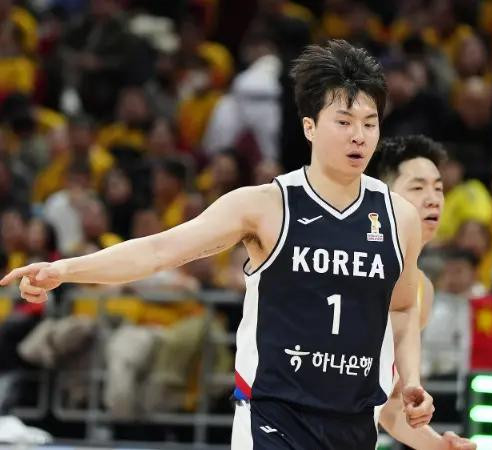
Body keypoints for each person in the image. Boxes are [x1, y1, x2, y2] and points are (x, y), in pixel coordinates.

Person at [1, 39, 433, 449]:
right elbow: (160, 250)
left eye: (369, 123)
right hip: (273, 416)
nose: (359, 135)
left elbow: (402, 308)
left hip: (355, 421)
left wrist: (410, 379)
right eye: (344, 122)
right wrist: (65, 269)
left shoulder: (399, 218)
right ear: (310, 127)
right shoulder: (264, 206)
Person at [369, 135, 476, 450]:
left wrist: (440, 446)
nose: (433, 199)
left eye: (439, 188)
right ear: (380, 197)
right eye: (417, 188)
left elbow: (389, 405)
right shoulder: (347, 263)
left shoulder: (421, 291)